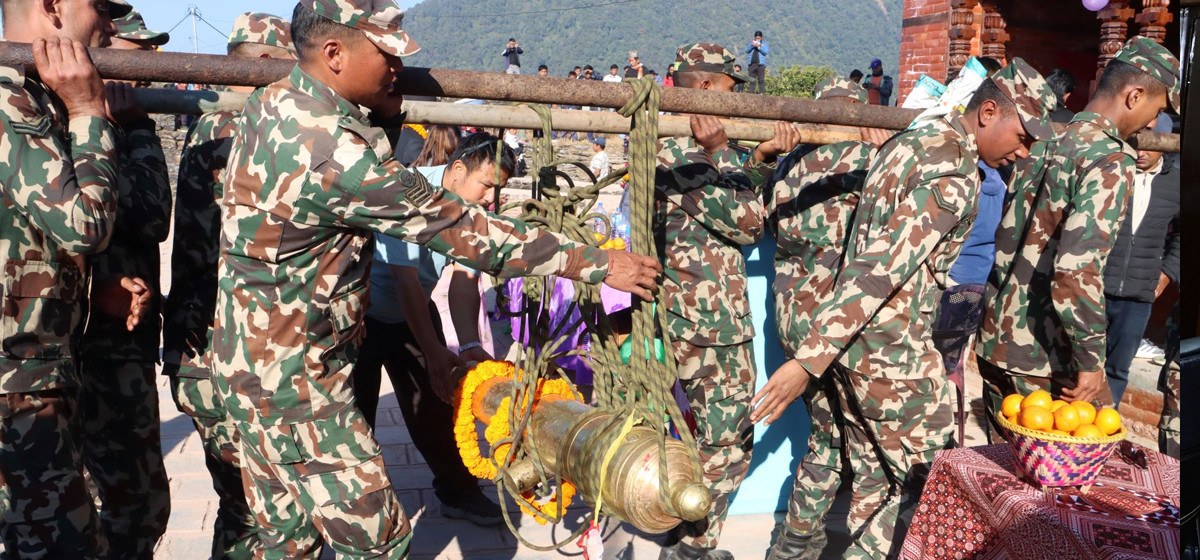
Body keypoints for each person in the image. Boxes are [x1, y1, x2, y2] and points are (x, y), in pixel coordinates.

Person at [210, 1, 660, 558]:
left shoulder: (275, 102)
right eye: (387, 55)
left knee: (286, 540)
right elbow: (461, 228)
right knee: (380, 540)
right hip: (294, 384)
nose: (398, 68)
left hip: (248, 363)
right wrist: (595, 262)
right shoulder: (331, 151)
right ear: (334, 53)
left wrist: (383, 110)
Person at [756, 60, 1055, 559]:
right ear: (987, 112)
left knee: (876, 484)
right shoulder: (954, 170)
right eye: (1022, 137)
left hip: (857, 349)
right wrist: (808, 361)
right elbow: (881, 268)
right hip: (892, 353)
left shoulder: (913, 140)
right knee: (934, 486)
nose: (1022, 152)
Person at [977, 38, 1179, 439]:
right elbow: (1076, 269)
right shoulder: (1109, 159)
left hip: (997, 339)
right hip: (1046, 358)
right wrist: (1091, 360)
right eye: (1156, 110)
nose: (1152, 124)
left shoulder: (1046, 136)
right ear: (1134, 96)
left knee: (998, 468)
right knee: (1059, 473)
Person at [656, 43, 802, 560]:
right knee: (729, 443)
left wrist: (757, 159)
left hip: (710, 319)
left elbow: (730, 192)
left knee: (717, 439)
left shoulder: (688, 149)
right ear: (703, 88)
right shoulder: (680, 152)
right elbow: (747, 223)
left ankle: (689, 537)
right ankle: (692, 547)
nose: (734, 100)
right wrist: (721, 151)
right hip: (706, 324)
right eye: (726, 89)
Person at [0, 0, 136, 557]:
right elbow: (83, 225)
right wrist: (87, 111)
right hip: (17, 387)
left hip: (33, 375)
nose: (110, 23)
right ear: (52, 6)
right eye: (99, 5)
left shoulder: (30, 95)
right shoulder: (10, 99)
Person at [163, 12, 296, 560]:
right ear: (263, 62)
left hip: (206, 349)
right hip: (224, 355)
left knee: (242, 507)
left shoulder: (218, 119)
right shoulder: (241, 126)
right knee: (262, 509)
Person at [350, 133, 512, 528]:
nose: (491, 198)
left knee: (437, 408)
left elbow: (463, 281)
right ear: (457, 170)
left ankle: (460, 492)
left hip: (415, 312)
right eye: (486, 185)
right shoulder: (408, 194)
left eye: (498, 189)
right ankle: (355, 511)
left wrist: (468, 343)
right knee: (356, 416)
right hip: (363, 318)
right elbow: (404, 282)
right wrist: (435, 351)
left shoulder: (473, 210)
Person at [77, 7, 173, 559]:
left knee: (139, 506)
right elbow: (152, 214)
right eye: (137, 55)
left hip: (122, 338)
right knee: (127, 505)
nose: (148, 68)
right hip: (95, 346)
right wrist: (138, 128)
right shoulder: (99, 124)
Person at [1102, 113, 1178, 408]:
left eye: (1150, 145)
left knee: (1117, 369)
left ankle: (1102, 427)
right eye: (1137, 143)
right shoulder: (1114, 172)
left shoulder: (1176, 184)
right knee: (1080, 364)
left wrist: (1167, 273)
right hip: (1096, 287)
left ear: (1166, 145)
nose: (1141, 152)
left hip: (1139, 296)